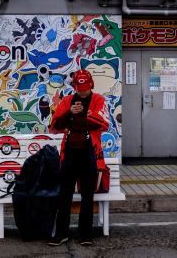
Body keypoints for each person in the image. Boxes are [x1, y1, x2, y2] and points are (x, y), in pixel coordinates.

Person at [48, 69, 109, 246]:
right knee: (64, 195)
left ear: (91, 85)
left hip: (89, 154)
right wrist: (70, 114)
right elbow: (55, 126)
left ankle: (85, 234)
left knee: (88, 195)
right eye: (79, 87)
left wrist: (72, 122)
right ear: (74, 86)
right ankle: (61, 233)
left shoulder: (99, 100)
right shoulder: (67, 100)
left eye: (86, 87)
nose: (83, 91)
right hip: (69, 155)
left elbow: (100, 124)